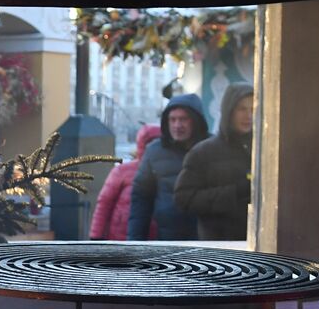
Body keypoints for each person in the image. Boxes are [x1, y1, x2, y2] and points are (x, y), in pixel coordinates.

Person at [175, 83, 255, 240]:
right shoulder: (203, 152)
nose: (249, 116)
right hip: (219, 245)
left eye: (253, 109)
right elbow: (184, 199)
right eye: (242, 109)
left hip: (258, 245)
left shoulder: (264, 151)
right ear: (229, 111)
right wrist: (235, 192)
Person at [127, 93, 208, 241]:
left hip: (208, 240)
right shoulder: (154, 151)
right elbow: (141, 199)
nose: (177, 125)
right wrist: (134, 243)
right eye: (173, 119)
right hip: (168, 238)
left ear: (195, 121)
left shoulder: (211, 149)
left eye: (183, 119)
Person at [89, 124, 160, 241]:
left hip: (157, 241)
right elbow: (104, 203)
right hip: (120, 239)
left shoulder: (168, 171)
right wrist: (96, 236)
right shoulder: (122, 171)